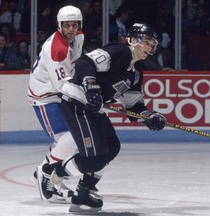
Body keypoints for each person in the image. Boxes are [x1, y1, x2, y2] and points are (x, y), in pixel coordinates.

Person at [36, 23, 166, 214]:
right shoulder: (120, 52)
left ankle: (84, 190)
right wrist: (91, 86)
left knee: (112, 147)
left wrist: (149, 116)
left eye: (151, 44)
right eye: (146, 42)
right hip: (77, 103)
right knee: (94, 160)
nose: (149, 48)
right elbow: (84, 63)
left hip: (93, 109)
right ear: (133, 40)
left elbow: (134, 106)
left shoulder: (136, 74)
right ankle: (52, 171)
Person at [28, 5, 84, 203]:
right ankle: (46, 170)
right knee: (68, 138)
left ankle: (46, 172)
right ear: (59, 25)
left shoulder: (79, 35)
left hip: (59, 93)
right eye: (66, 25)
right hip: (45, 96)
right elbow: (63, 86)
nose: (71, 29)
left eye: (74, 25)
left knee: (73, 138)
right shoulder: (56, 49)